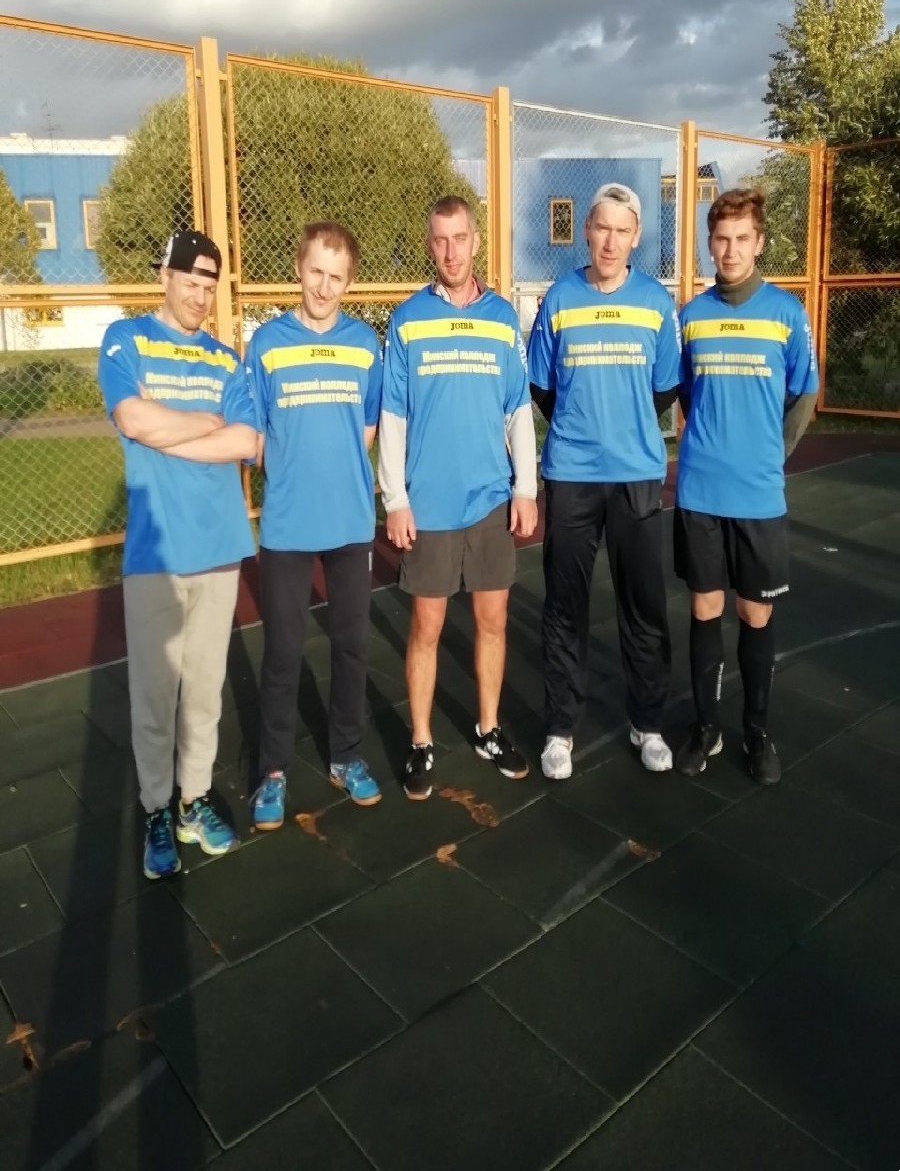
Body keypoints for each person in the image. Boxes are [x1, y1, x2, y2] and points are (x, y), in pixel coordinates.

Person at [97, 230, 257, 880]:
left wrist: (172, 431)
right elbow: (132, 420)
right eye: (190, 281)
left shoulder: (226, 360)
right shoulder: (127, 339)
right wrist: (205, 424)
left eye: (209, 285)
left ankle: (194, 800)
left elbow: (245, 440)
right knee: (155, 697)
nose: (199, 295)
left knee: (204, 695)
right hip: (156, 552)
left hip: (218, 548)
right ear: (164, 276)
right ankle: (157, 809)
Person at [378, 195, 538, 801]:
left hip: (491, 501)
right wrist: (395, 498)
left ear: (476, 241)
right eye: (440, 240)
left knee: (492, 622)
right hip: (430, 504)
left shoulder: (502, 318)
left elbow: (518, 409)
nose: (451, 251)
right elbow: (393, 415)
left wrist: (525, 488)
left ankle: (488, 730)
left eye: (460, 238)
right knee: (427, 625)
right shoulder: (408, 320)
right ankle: (421, 741)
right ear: (430, 245)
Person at [527, 183, 680, 780]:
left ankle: (648, 722)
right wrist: (582, 425)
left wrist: (624, 427)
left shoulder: (656, 303)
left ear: (636, 236)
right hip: (571, 474)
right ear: (586, 231)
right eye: (601, 228)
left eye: (622, 230)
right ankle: (561, 729)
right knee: (565, 606)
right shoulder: (560, 298)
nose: (610, 242)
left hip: (637, 474)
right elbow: (542, 386)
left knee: (643, 604)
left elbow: (664, 387)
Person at [674, 186, 818, 785]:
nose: (730, 250)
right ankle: (705, 727)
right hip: (700, 492)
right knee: (705, 608)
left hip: (758, 495)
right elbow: (685, 391)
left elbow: (804, 392)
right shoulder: (691, 317)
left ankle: (756, 731)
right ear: (709, 244)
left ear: (759, 243)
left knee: (754, 613)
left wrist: (770, 454)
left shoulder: (786, 313)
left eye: (741, 239)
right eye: (720, 239)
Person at [246, 222, 383, 829]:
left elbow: (368, 428)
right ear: (298, 270)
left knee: (352, 646)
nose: (324, 287)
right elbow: (256, 437)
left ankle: (345, 755)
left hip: (351, 521)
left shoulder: (365, 344)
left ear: (349, 282)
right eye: (315, 273)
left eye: (336, 277)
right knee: (282, 652)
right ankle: (272, 771)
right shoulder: (267, 344)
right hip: (287, 524)